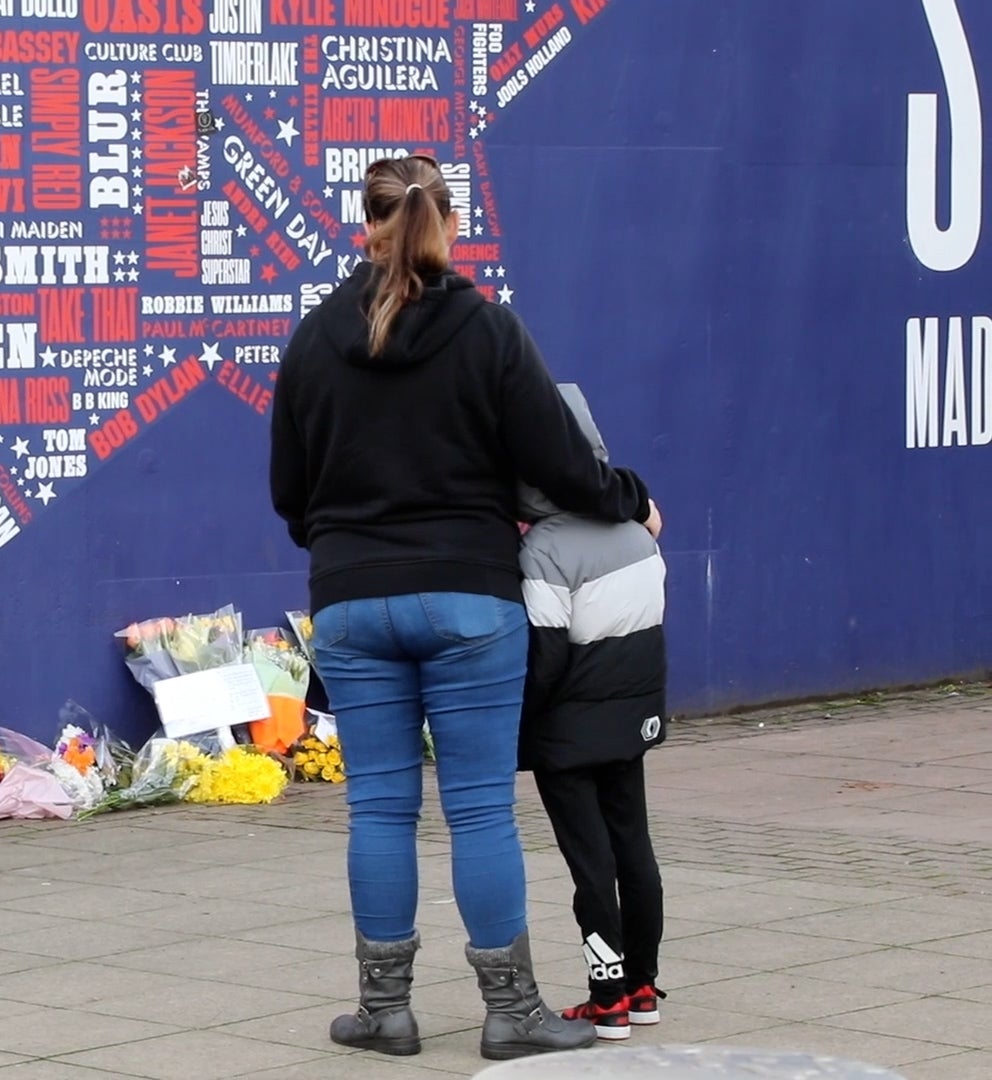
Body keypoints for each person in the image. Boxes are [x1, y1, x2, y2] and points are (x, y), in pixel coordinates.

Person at [268, 154, 662, 1062]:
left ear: (361, 224)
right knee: (480, 808)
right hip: (471, 602)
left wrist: (343, 549)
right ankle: (511, 1011)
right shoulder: (488, 332)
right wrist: (630, 497)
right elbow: (567, 468)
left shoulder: (314, 337)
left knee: (378, 808)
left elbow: (290, 493)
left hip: (353, 602)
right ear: (449, 222)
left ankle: (384, 1009)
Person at [517, 383, 669, 1042]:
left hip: (569, 732)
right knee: (635, 850)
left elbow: (546, 657)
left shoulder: (544, 549)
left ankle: (604, 997)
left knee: (590, 866)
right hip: (632, 719)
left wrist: (521, 731)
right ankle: (641, 986)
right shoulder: (636, 532)